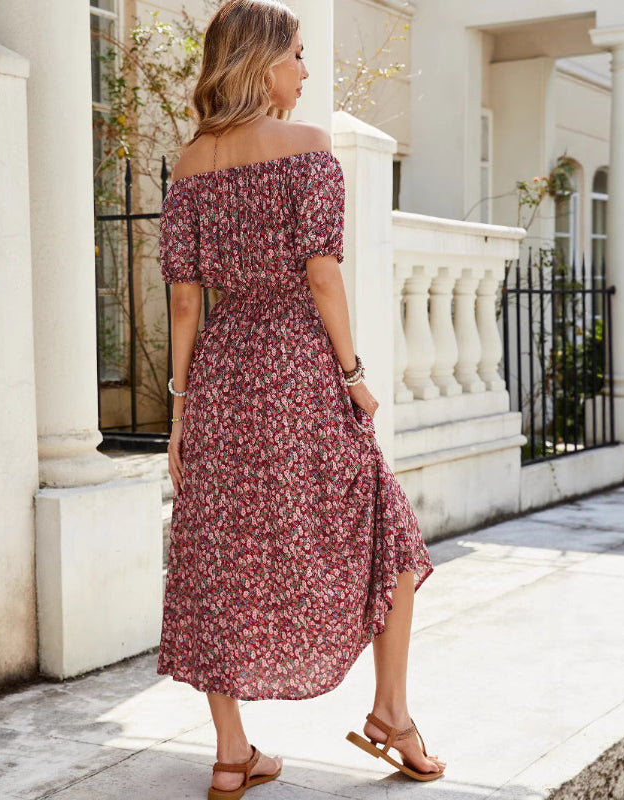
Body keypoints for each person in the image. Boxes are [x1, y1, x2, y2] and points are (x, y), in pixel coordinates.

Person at [156, 1, 445, 797]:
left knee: (215, 553)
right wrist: (353, 375)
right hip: (298, 371)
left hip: (222, 374)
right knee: (387, 528)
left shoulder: (188, 166)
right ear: (261, 63)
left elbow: (184, 303)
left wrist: (181, 414)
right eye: (297, 56)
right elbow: (322, 276)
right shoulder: (308, 149)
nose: (305, 72)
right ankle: (392, 713)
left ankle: (231, 753)